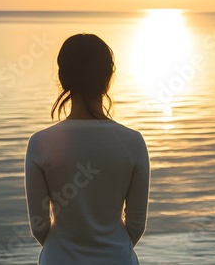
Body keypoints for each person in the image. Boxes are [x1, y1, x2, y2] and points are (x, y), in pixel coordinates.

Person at [25, 33, 150, 264]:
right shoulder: (133, 142)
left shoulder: (40, 143)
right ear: (108, 78)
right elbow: (136, 225)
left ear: (63, 78)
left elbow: (38, 226)